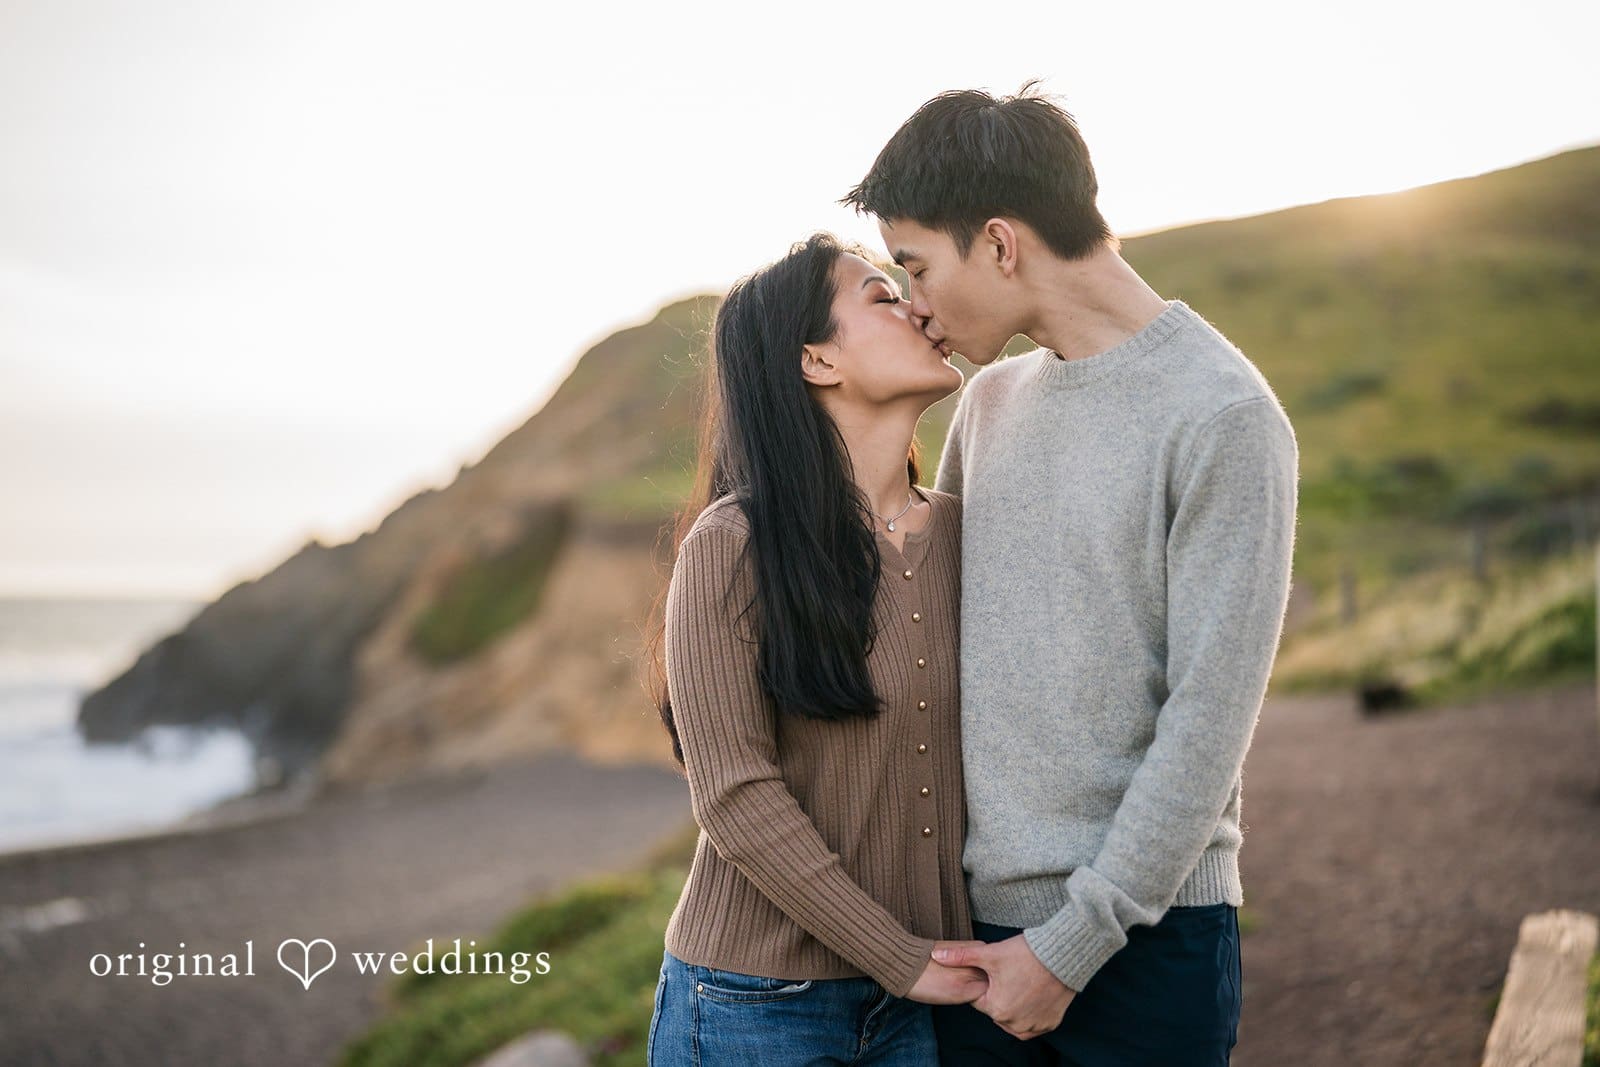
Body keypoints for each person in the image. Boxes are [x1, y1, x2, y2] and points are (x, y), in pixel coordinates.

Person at [841, 84, 1300, 1065]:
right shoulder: (989, 405)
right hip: (975, 938)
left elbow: (1210, 714)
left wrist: (1073, 942)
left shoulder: (1223, 414)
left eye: (915, 265)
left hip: (1148, 943)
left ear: (1000, 244)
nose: (912, 301)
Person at [646, 232, 988, 1064]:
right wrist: (901, 958)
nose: (915, 305)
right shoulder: (734, 543)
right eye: (879, 295)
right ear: (817, 361)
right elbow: (732, 792)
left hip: (918, 1002)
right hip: (754, 1003)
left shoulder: (966, 532)